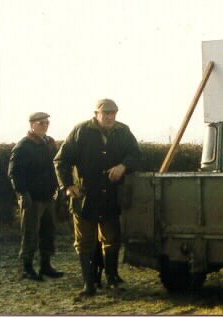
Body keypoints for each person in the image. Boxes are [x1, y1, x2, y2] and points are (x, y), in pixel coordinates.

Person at [54, 99, 140, 297]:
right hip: (84, 197)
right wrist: (67, 186)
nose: (110, 117)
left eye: (113, 113)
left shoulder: (123, 131)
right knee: (84, 242)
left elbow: (136, 154)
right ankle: (89, 283)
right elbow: (61, 160)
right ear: (96, 113)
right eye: (106, 113)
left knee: (112, 239)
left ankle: (112, 278)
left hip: (111, 197)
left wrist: (123, 166)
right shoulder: (81, 131)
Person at [8, 112, 64, 281]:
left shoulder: (49, 142)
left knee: (49, 232)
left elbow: (55, 166)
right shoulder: (24, 146)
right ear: (32, 124)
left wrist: (57, 188)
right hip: (32, 198)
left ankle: (46, 265)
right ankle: (27, 267)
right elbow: (14, 173)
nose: (45, 125)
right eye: (41, 123)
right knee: (30, 233)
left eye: (47, 122)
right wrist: (22, 193)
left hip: (48, 196)